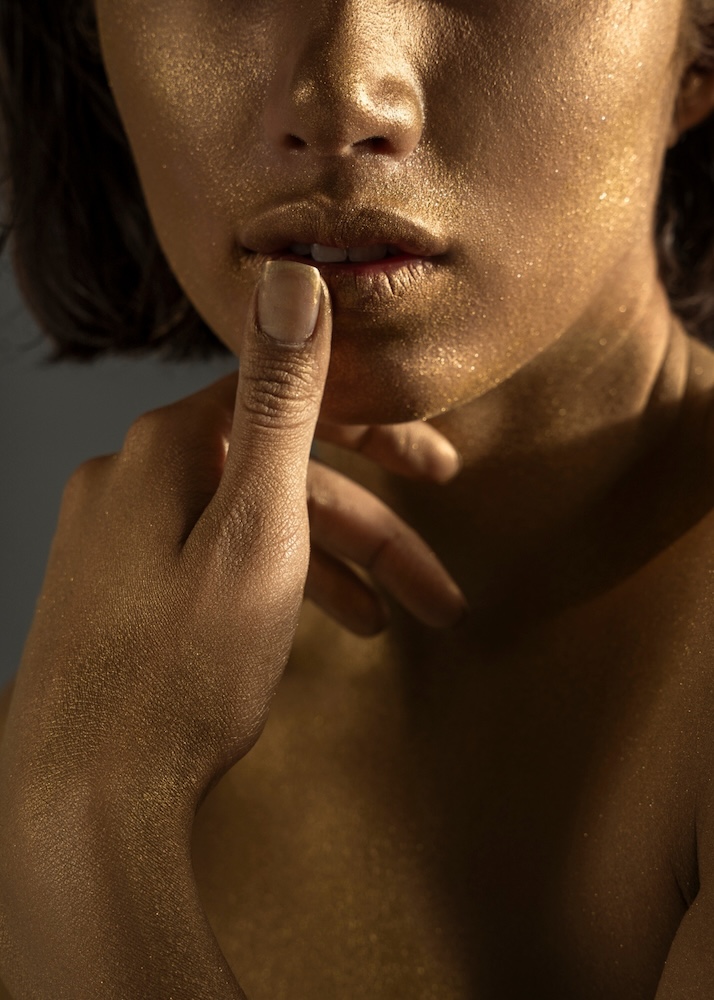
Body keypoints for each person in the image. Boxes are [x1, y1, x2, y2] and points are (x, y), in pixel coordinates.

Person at [2, 0, 714, 996]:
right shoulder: (98, 711)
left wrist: (84, 838)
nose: (341, 97)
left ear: (699, 48)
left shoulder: (60, 770)